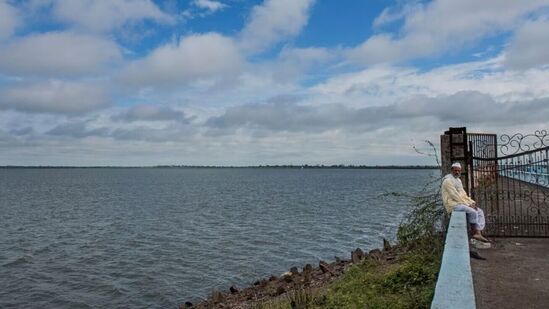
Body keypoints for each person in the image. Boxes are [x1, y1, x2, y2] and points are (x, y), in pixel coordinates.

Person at [441, 162, 489, 242]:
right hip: (452, 204)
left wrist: (471, 202)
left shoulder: (458, 180)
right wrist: (468, 205)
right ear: (451, 170)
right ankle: (475, 232)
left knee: (479, 211)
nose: (457, 172)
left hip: (460, 203)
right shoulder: (447, 181)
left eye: (459, 171)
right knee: (473, 212)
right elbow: (454, 195)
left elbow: (463, 195)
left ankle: (479, 232)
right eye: (455, 170)